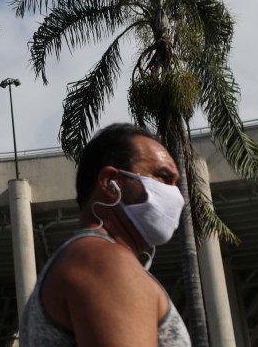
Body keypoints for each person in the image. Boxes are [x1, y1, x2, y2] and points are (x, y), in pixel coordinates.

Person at [20, 123, 191, 346]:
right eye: (162, 176)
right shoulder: (105, 262)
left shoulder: (90, 258)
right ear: (111, 183)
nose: (174, 193)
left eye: (175, 183)